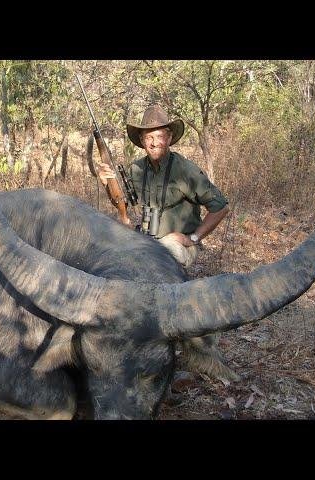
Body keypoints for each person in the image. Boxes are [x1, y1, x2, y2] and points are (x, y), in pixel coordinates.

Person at [98, 104, 240, 383]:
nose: (153, 141)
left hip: (177, 247)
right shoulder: (137, 169)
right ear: (141, 140)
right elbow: (124, 205)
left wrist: (193, 237)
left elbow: (220, 207)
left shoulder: (186, 170)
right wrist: (108, 184)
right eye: (148, 136)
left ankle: (193, 354)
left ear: (169, 138)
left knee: (162, 271)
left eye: (159, 135)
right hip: (145, 246)